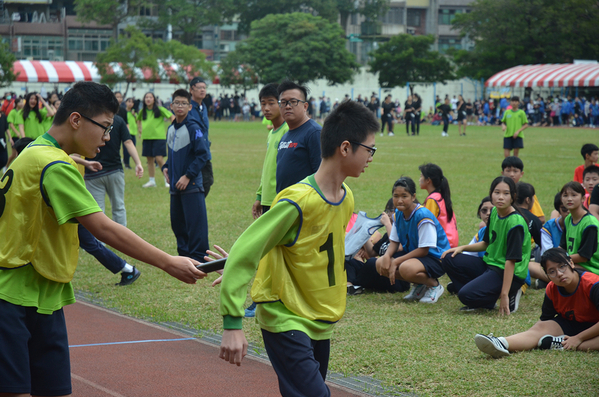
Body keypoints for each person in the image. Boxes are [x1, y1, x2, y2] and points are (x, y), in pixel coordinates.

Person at [0, 82, 206, 397]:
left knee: (53, 389)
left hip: (41, 293)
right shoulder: (53, 164)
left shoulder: (33, 152)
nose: (107, 138)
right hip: (14, 295)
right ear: (76, 120)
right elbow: (103, 228)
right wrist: (167, 262)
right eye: (105, 127)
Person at [217, 100, 379, 397]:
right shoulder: (297, 201)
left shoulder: (347, 198)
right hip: (285, 316)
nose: (371, 157)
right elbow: (246, 250)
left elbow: (303, 247)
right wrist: (232, 322)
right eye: (369, 149)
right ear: (345, 148)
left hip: (320, 319)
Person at [474, 248, 599, 358]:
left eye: (562, 266)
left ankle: (562, 344)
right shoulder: (551, 288)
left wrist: (578, 339)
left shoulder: (593, 284)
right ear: (547, 276)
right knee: (541, 328)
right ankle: (501, 342)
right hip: (571, 324)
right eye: (552, 271)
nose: (559, 274)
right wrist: (533, 334)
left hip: (594, 326)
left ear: (571, 263)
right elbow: (545, 320)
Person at [441, 176, 531, 314]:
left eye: (506, 193)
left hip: (509, 273)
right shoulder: (494, 212)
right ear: (491, 194)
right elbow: (486, 243)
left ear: (513, 197)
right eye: (497, 192)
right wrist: (462, 248)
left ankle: (509, 292)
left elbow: (510, 261)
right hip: (490, 265)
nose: (501, 197)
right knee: (449, 258)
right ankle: (485, 298)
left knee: (465, 295)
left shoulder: (515, 223)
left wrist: (504, 295)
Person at [376, 177, 450, 304]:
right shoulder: (398, 214)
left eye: (404, 196)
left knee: (406, 268)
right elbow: (394, 242)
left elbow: (424, 250)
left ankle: (434, 285)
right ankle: (420, 285)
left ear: (413, 196)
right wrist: (388, 256)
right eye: (396, 196)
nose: (399, 200)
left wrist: (397, 261)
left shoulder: (422, 215)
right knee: (380, 264)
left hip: (436, 258)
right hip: (416, 256)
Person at [162, 89, 210, 263]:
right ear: (171, 105)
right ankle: (184, 258)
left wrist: (188, 176)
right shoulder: (171, 128)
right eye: (177, 103)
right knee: (178, 224)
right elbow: (172, 154)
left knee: (196, 226)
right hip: (175, 187)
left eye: (183, 103)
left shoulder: (193, 127)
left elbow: (202, 155)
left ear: (190, 107)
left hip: (191, 186)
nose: (180, 106)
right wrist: (166, 167)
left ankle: (199, 259)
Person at [345, 199, 411, 294]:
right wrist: (365, 235)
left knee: (372, 263)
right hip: (381, 272)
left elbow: (399, 247)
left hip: (396, 279)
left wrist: (388, 224)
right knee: (349, 260)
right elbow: (372, 253)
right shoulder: (386, 236)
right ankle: (350, 286)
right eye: (387, 210)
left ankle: (357, 283)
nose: (388, 214)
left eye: (391, 210)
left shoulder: (406, 232)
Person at [275, 80, 322, 193]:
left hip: (305, 204)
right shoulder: (285, 136)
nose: (287, 106)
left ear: (305, 106)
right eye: (283, 102)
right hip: (285, 202)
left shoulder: (314, 132)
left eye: (293, 101)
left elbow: (322, 175)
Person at [252, 83, 289, 219]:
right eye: (263, 104)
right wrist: (260, 196)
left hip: (280, 198)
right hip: (267, 197)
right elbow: (268, 166)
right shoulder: (272, 132)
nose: (266, 108)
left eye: (271, 103)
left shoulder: (287, 131)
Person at [559, 181, 599, 275]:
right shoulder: (568, 219)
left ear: (583, 198)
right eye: (565, 195)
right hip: (572, 263)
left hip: (592, 269)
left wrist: (561, 259)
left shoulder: (589, 223)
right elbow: (562, 246)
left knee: (559, 269)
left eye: (574, 195)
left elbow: (584, 257)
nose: (569, 199)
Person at [137, 92, 174, 188]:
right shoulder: (142, 111)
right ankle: (152, 181)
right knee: (150, 160)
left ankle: (168, 179)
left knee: (159, 158)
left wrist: (173, 129)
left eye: (150, 97)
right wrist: (140, 129)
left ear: (154, 99)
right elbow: (138, 119)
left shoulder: (160, 109)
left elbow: (172, 117)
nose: (148, 99)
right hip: (147, 138)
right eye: (146, 97)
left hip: (159, 138)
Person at [418, 163, 459, 248]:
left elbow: (427, 224)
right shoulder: (440, 197)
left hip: (442, 245)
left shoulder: (432, 199)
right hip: (451, 242)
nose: (419, 179)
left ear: (428, 180)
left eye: (421, 176)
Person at [189, 77, 214, 196]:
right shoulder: (188, 107)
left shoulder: (203, 106)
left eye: (204, 88)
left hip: (205, 151)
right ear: (191, 90)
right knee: (196, 183)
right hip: (193, 153)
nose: (202, 90)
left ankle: (196, 208)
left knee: (208, 181)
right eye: (199, 88)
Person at [501, 156, 545, 223]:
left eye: (515, 171)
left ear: (521, 174)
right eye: (508, 171)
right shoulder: (498, 192)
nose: (511, 174)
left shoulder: (526, 192)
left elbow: (541, 218)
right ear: (502, 173)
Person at [122, 97, 138, 169]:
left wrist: (134, 115)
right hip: (126, 132)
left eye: (132, 102)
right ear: (126, 103)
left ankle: (127, 162)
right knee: (126, 149)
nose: (130, 103)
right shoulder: (123, 112)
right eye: (129, 101)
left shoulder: (134, 112)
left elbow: (137, 121)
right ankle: (126, 163)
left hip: (133, 133)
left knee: (133, 147)